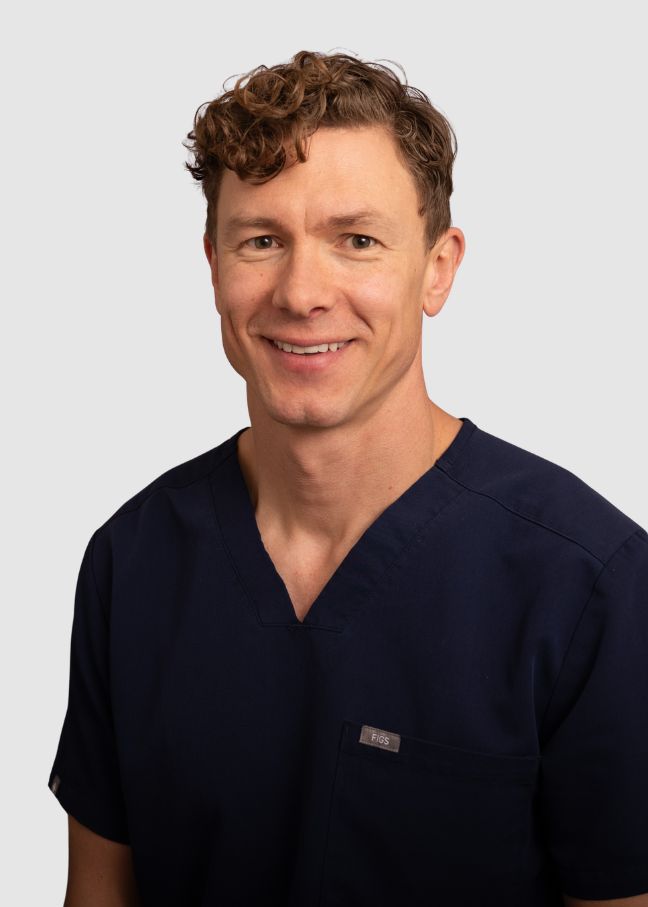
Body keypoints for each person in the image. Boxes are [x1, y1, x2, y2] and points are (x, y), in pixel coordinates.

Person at [48, 49, 648, 907]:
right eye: (262, 241)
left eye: (357, 241)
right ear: (213, 263)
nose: (302, 293)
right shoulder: (133, 560)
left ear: (438, 267)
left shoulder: (589, 587)